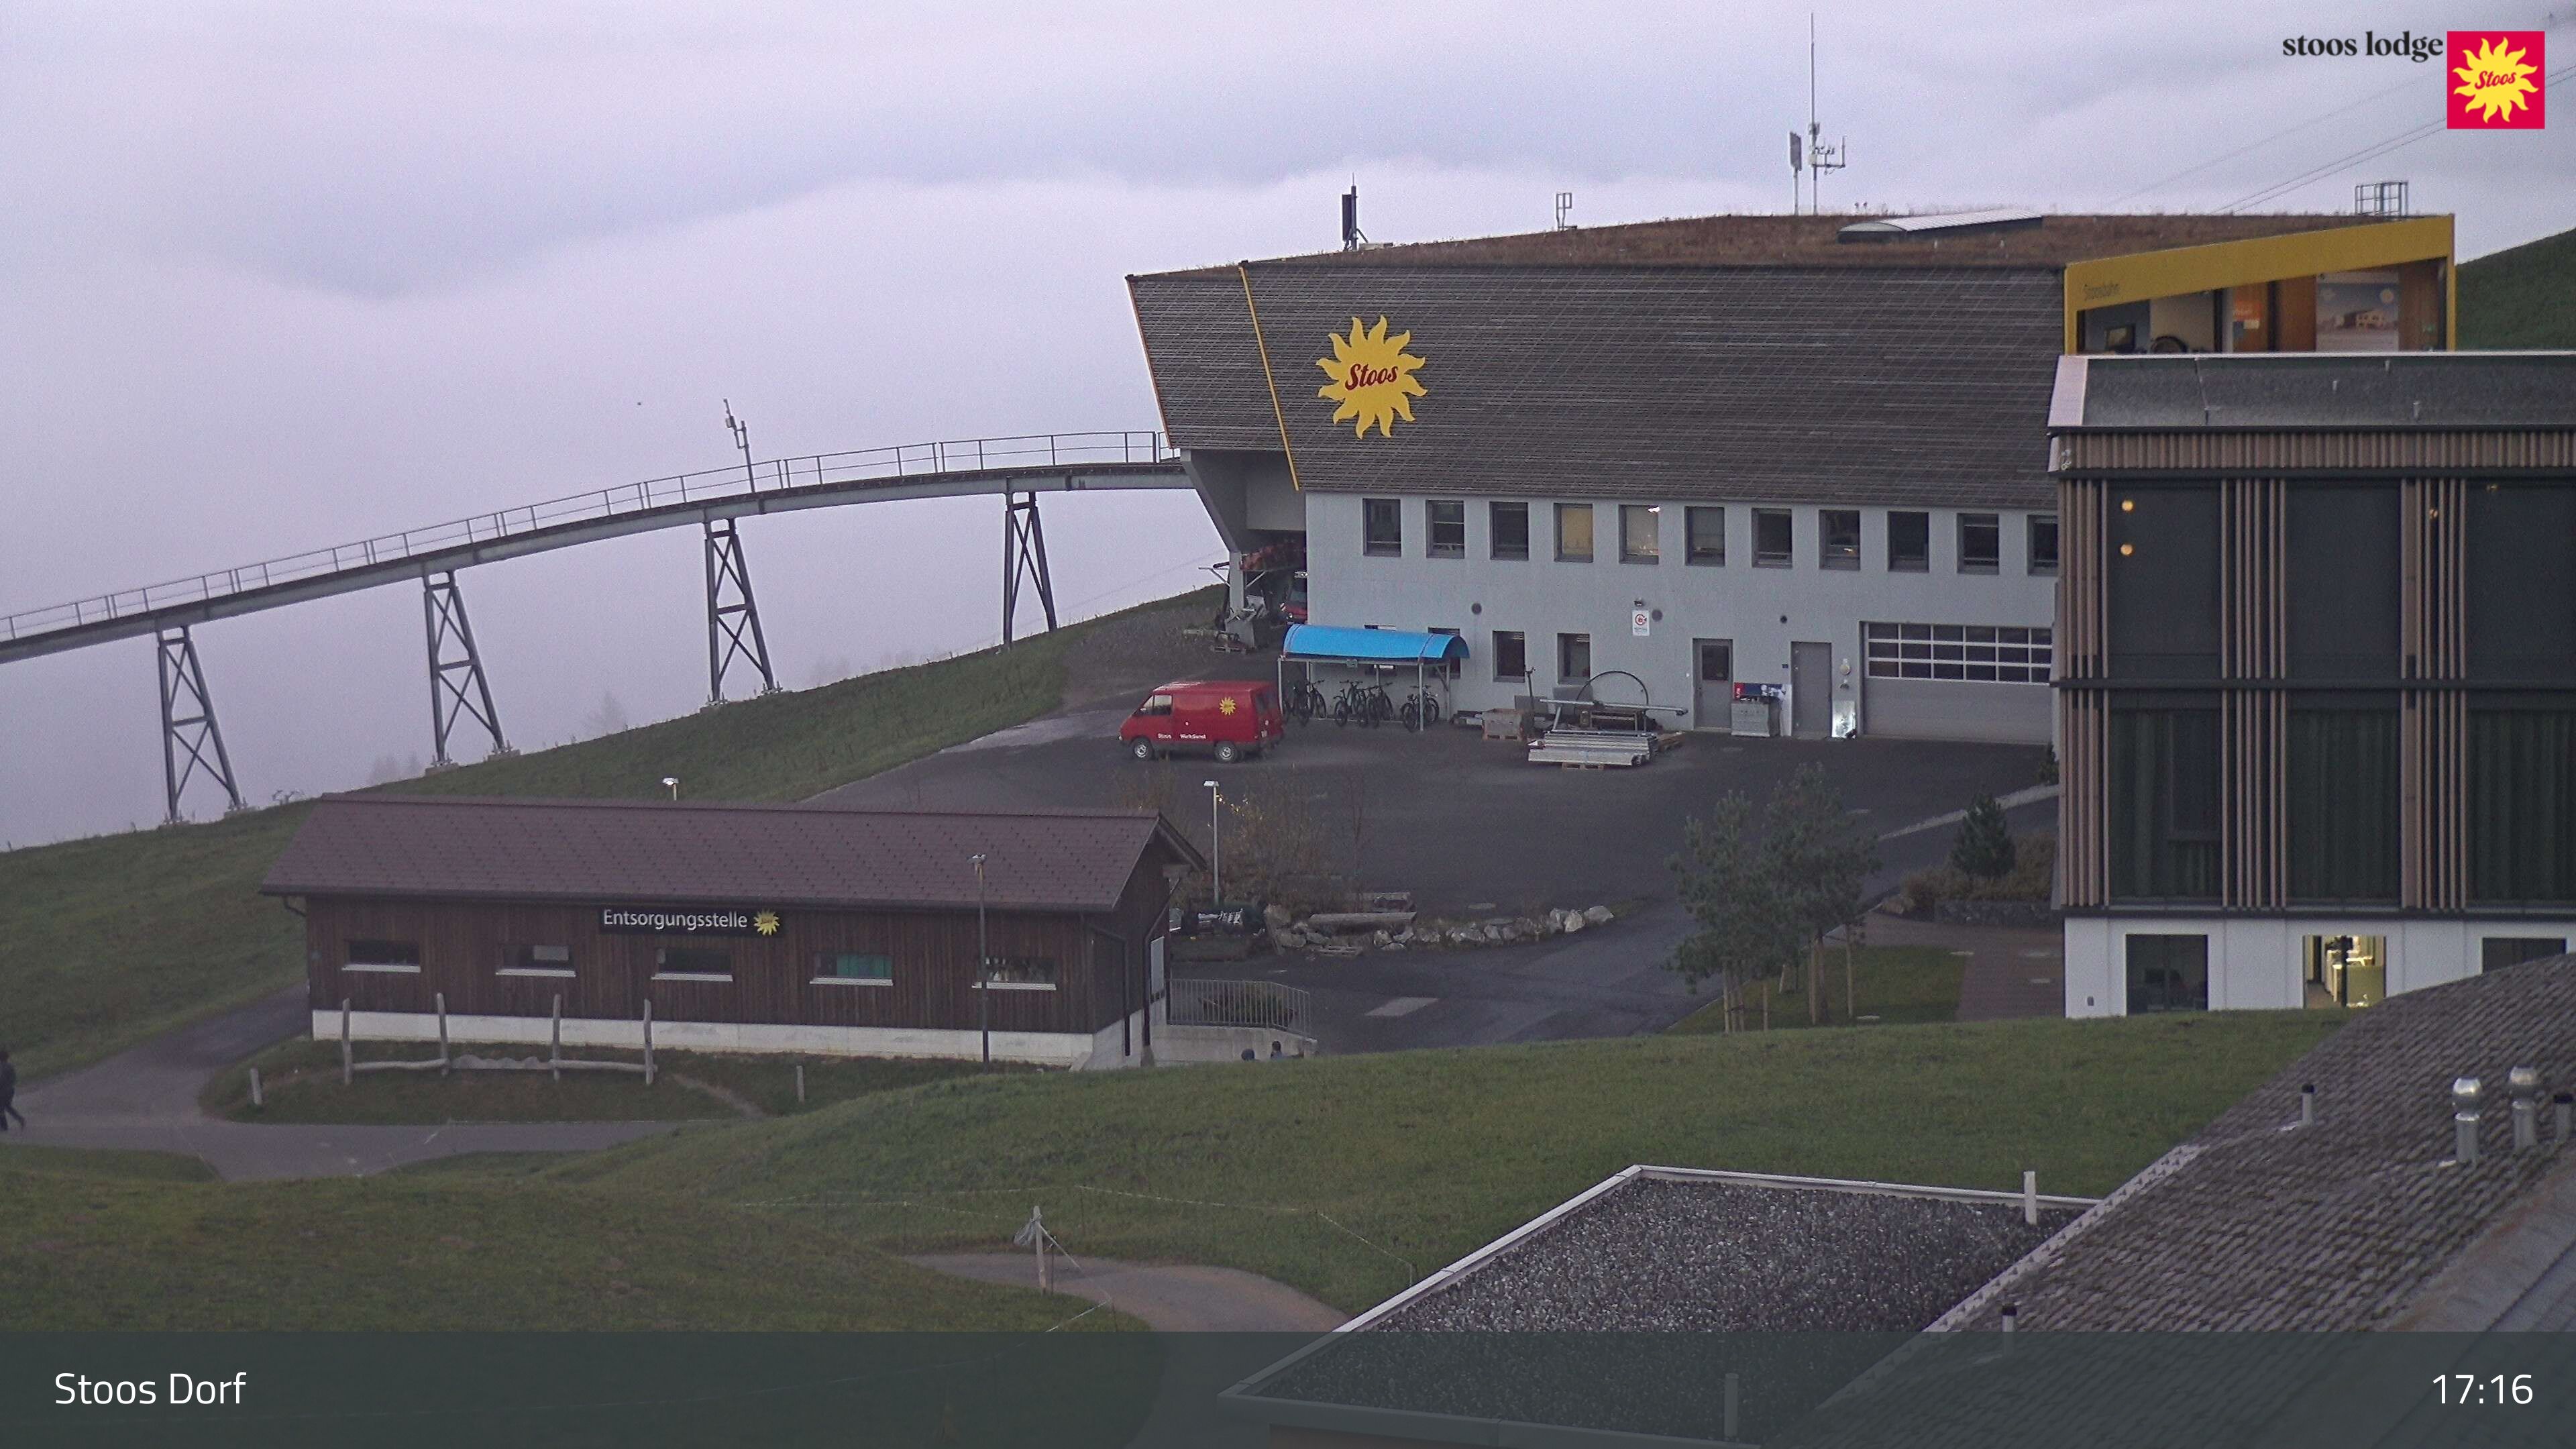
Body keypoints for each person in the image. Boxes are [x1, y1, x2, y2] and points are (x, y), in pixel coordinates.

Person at [0, 1046, 21, 1131]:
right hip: (11, 1090)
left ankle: (4, 1126)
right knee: (7, 1107)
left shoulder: (1, 1067)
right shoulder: (10, 1066)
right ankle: (20, 1119)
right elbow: (13, 1078)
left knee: (1, 1109)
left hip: (2, 1091)